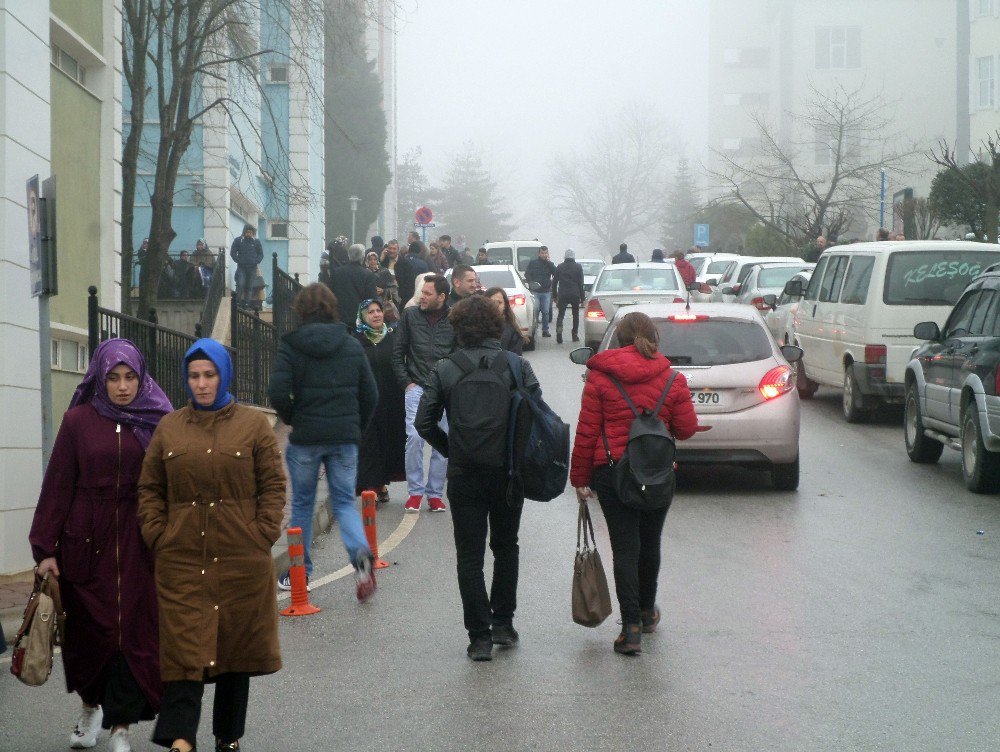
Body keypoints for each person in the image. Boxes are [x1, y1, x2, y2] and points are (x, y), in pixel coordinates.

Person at [138, 338, 284, 752]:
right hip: (182, 558)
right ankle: (181, 739)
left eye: (209, 375)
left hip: (242, 558)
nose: (201, 384)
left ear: (223, 375)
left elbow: (273, 485)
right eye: (194, 376)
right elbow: (150, 487)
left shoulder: (253, 426)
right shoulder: (170, 427)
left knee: (234, 652)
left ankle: (228, 737)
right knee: (184, 652)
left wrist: (261, 533)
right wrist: (158, 534)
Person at [30, 339, 171, 752]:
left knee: (134, 633)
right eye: (114, 377)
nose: (123, 386)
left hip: (138, 539)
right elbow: (57, 485)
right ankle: (90, 709)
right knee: (90, 635)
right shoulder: (77, 421)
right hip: (84, 543)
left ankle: (121, 728)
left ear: (141, 377)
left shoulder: (156, 418)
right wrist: (45, 549)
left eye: (130, 377)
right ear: (100, 377)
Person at [415, 295, 541, 661]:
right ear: (495, 324)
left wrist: (453, 448)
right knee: (506, 546)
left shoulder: (445, 368)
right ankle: (503, 623)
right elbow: (536, 413)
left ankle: (479, 637)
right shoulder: (517, 366)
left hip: (465, 473)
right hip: (507, 472)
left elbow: (424, 422)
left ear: (457, 328)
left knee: (469, 556)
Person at [570, 312, 698, 655]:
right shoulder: (672, 379)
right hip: (657, 473)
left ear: (620, 339)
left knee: (625, 547)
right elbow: (686, 429)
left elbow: (586, 431)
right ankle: (646, 609)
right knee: (650, 542)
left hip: (613, 473)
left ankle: (631, 630)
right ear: (653, 337)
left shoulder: (600, 377)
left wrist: (580, 479)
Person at [268, 284, 379, 597]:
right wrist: (355, 427)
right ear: (333, 308)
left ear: (301, 310)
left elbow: (277, 392)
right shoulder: (351, 345)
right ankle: (360, 556)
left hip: (305, 438)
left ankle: (297, 573)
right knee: (344, 502)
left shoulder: (291, 346)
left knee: (302, 504)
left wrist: (292, 417)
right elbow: (371, 394)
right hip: (344, 438)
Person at [392, 274, 457, 512]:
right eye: (422, 292)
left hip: (445, 388)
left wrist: (452, 383)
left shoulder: (454, 318)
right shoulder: (409, 316)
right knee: (415, 438)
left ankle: (435, 494)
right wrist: (406, 383)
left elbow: (458, 353)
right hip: (416, 387)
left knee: (443, 441)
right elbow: (397, 352)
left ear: (442, 296)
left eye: (428, 293)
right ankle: (415, 491)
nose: (422, 297)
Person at [354, 298, 406, 504]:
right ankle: (371, 488)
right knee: (369, 445)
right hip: (366, 403)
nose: (376, 314)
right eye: (370, 312)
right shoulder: (356, 341)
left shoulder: (392, 338)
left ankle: (381, 484)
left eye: (378, 310)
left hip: (392, 402)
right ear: (362, 317)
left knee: (387, 443)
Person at [328, 242, 378, 324]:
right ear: (363, 257)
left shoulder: (337, 273)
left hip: (340, 318)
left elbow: (331, 293)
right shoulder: (368, 275)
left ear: (349, 256)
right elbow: (371, 300)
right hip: (360, 319)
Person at [553, 249, 585, 344]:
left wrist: (554, 296)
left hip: (562, 294)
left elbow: (554, 283)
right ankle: (574, 335)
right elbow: (581, 284)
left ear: (565, 257)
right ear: (573, 257)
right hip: (575, 294)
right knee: (575, 315)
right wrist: (582, 298)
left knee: (561, 314)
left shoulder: (560, 267)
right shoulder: (578, 267)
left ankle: (559, 333)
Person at [525, 246, 557, 338]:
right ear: (539, 253)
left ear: (548, 254)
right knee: (536, 309)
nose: (544, 255)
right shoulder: (533, 263)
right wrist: (531, 283)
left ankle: (545, 330)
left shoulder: (550, 264)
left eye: (545, 253)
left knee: (546, 311)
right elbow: (527, 274)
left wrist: (550, 263)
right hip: (535, 291)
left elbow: (556, 274)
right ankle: (534, 329)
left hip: (546, 292)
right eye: (542, 253)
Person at [229, 224, 263, 307]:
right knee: (240, 284)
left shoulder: (256, 241)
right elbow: (233, 252)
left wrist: (256, 261)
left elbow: (261, 254)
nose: (249, 234)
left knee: (250, 287)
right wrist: (238, 260)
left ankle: (247, 304)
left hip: (252, 268)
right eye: (247, 232)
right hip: (241, 268)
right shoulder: (238, 240)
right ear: (244, 232)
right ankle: (237, 303)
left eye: (250, 232)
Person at [485, 286, 524, 355]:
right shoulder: (476, 327)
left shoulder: (512, 330)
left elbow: (515, 359)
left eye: (499, 303)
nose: (495, 306)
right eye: (491, 302)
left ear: (505, 305)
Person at [381, 239, 417, 307]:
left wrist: (404, 299)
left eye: (394, 249)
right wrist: (381, 259)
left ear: (398, 250)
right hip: (385, 298)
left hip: (400, 299)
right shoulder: (384, 261)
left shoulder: (405, 263)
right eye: (390, 248)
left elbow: (410, 283)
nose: (392, 251)